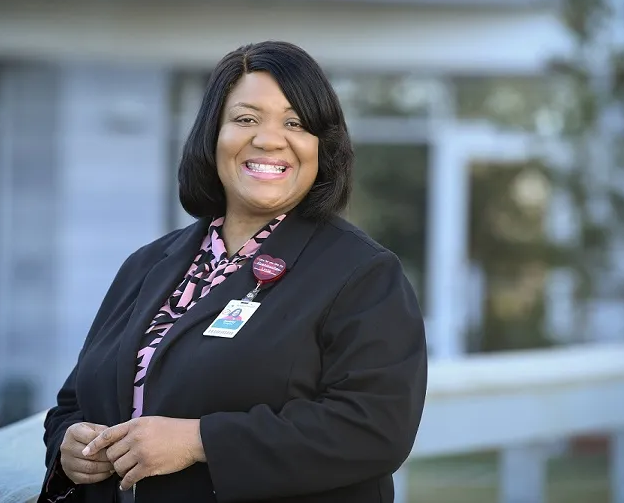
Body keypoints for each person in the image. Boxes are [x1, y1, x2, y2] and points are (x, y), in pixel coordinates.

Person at [39, 41, 428, 503]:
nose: (268, 139)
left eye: (295, 122)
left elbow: (375, 427)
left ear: (321, 146)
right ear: (213, 136)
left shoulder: (363, 274)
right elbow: (74, 401)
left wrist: (200, 441)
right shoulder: (148, 264)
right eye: (245, 119)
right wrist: (69, 445)